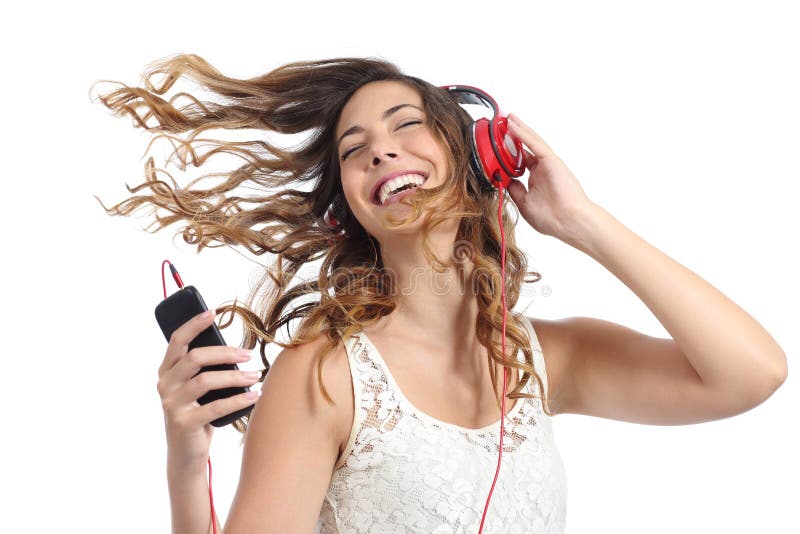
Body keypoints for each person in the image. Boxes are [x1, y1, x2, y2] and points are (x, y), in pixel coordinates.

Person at [93, 54, 787, 534]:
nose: (381, 150)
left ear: (475, 156)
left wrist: (582, 222)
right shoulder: (325, 376)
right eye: (354, 148)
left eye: (407, 125)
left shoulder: (547, 358)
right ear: (351, 211)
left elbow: (752, 374)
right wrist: (188, 469)